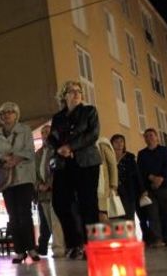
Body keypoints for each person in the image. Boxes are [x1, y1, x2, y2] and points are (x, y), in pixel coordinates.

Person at [47, 81, 101, 259]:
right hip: (64, 163)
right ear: (64, 96)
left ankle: (91, 246)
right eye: (72, 91)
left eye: (79, 91)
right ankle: (74, 243)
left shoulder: (89, 111)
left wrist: (70, 147)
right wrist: (60, 149)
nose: (77, 93)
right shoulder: (58, 117)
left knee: (88, 204)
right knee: (60, 203)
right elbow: (52, 138)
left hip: (86, 162)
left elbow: (92, 134)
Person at [0, 102, 39, 264]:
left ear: (16, 114)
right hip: (7, 179)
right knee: (13, 214)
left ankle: (31, 248)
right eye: (3, 113)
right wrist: (3, 159)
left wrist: (15, 159)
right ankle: (19, 251)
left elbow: (30, 151)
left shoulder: (25, 130)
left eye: (10, 112)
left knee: (25, 213)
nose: (6, 115)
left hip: (23, 176)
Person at [137, 129, 167, 246]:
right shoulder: (142, 154)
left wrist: (161, 179)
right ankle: (157, 239)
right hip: (150, 188)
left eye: (151, 135)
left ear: (156, 137)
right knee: (152, 214)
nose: (149, 138)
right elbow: (141, 170)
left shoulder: (164, 150)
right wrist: (151, 178)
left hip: (166, 186)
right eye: (146, 136)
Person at [35, 125, 66, 258]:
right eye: (42, 132)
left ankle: (59, 248)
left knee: (56, 221)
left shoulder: (57, 149)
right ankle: (59, 246)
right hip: (43, 193)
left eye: (47, 132)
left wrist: (49, 184)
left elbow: (59, 168)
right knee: (48, 222)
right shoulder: (38, 153)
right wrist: (38, 185)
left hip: (55, 190)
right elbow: (34, 173)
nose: (45, 134)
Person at [96, 137, 119, 223]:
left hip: (104, 186)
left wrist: (113, 185)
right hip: (90, 185)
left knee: (103, 213)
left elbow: (112, 165)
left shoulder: (102, 144)